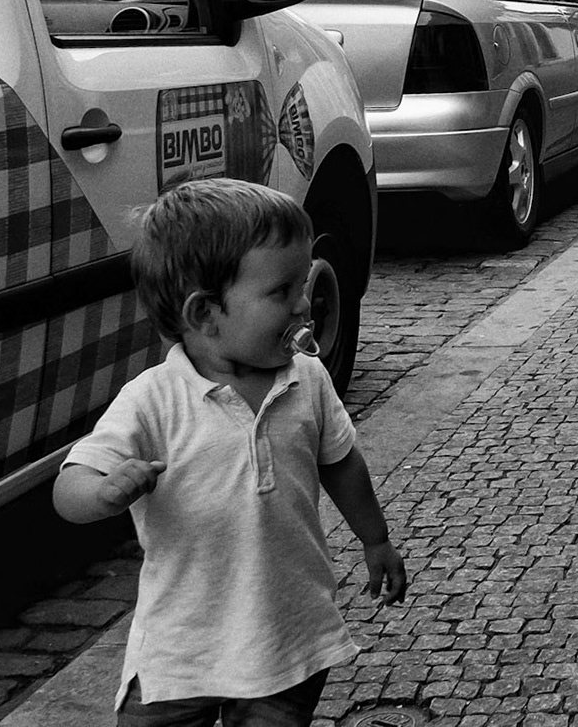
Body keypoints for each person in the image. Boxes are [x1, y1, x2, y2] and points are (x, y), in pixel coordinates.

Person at [53, 178, 408, 726]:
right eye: (281, 292)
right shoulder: (154, 399)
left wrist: (376, 538)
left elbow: (340, 461)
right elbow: (69, 487)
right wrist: (103, 491)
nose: (304, 304)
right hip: (181, 646)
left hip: (284, 633)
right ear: (204, 314)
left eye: (303, 283)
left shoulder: (306, 378)